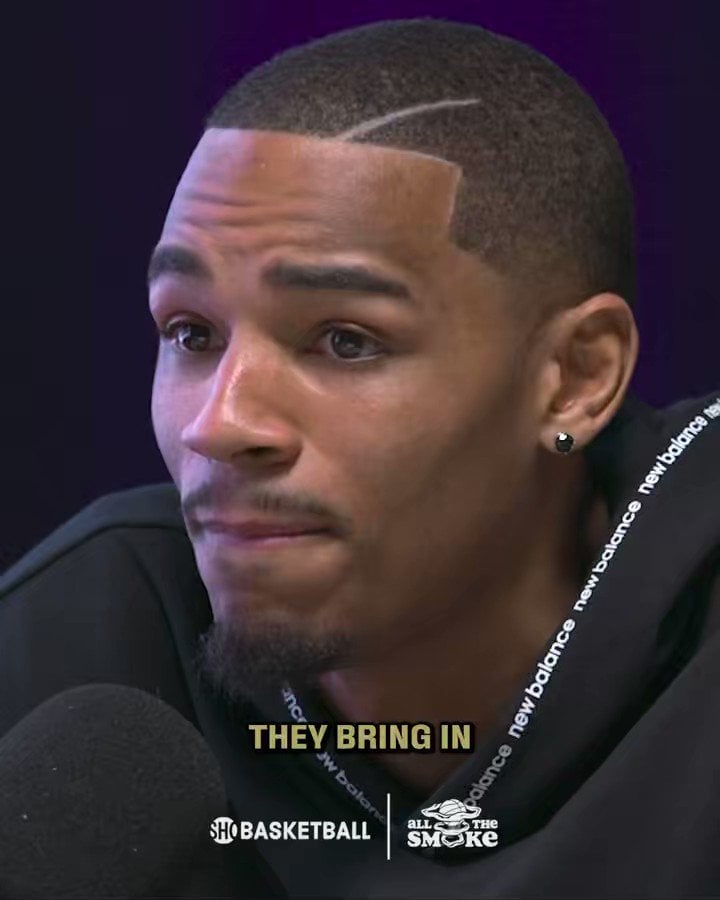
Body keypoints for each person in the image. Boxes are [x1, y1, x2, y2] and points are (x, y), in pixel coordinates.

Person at [1, 17, 718, 899]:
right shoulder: (88, 631)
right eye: (190, 333)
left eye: (345, 340)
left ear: (575, 378)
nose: (218, 425)